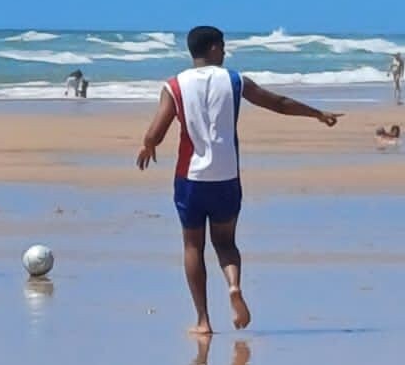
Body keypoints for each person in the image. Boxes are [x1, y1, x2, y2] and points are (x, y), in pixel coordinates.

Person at [136, 25, 338, 335]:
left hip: (190, 178)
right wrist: (317, 114)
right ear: (214, 49)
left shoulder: (174, 85)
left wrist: (148, 144)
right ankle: (233, 286)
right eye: (224, 46)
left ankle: (203, 320)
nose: (226, 52)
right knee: (226, 243)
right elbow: (279, 103)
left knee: (193, 245)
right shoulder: (234, 80)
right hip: (226, 176)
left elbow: (157, 130)